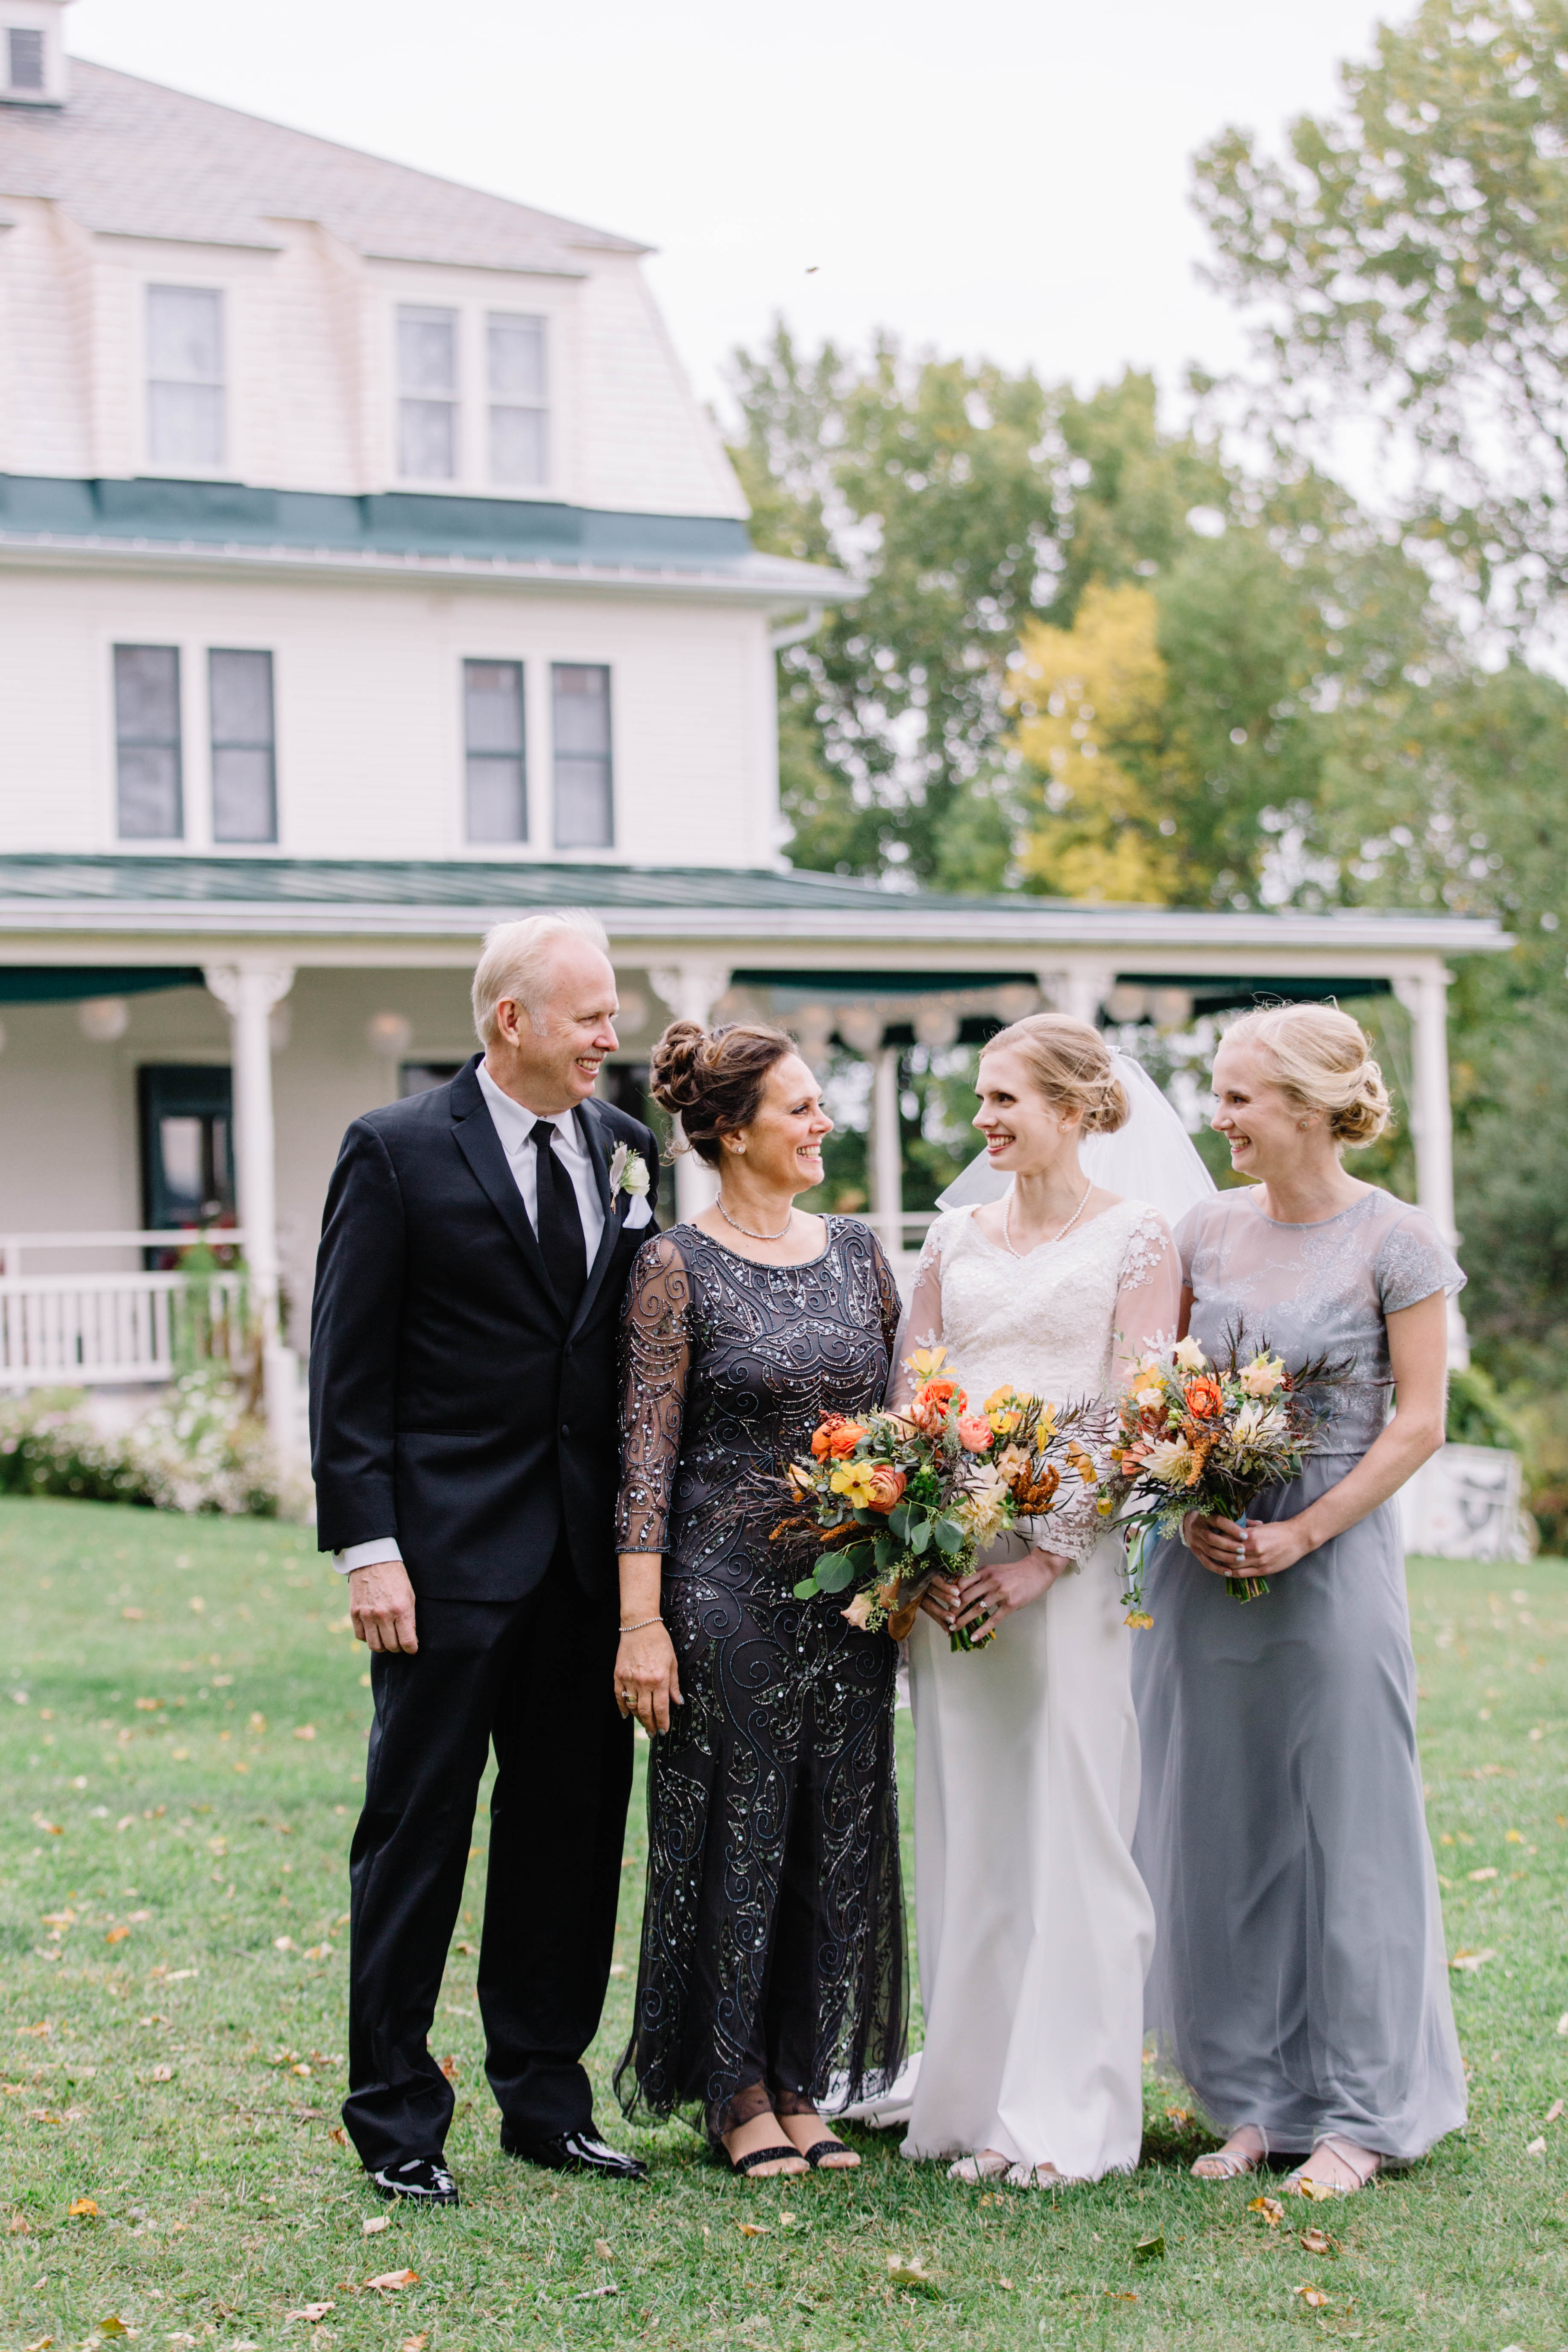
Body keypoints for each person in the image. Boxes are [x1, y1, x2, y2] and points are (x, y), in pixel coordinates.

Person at [309, 911, 661, 2204]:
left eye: (612, 1012)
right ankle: (396, 2114)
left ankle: (545, 2097)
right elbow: (347, 1368)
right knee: (416, 1836)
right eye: (590, 1016)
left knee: (571, 1832)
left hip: (581, 1569)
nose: (610, 1036)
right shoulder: (395, 1151)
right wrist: (369, 1546)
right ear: (510, 1020)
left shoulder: (627, 1150)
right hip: (442, 1565)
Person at [1133, 1003, 1467, 2196]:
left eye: (1238, 1099)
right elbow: (1160, 1390)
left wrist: (1304, 1532)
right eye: (1220, 1095)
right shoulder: (1204, 1230)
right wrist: (1184, 1500)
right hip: (1207, 1558)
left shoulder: (1399, 1241)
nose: (1218, 1118)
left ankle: (1364, 2113)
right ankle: (1254, 2101)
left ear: (1312, 1108)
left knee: (1349, 1827)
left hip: (1333, 1554)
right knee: (1226, 1827)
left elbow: (1420, 1420)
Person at [888, 1013, 1182, 2187]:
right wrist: (930, 1537)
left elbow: (1133, 1408)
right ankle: (969, 2095)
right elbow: (914, 1391)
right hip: (955, 1572)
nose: (984, 1120)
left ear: (1074, 1106)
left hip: (1072, 1572)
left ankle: (1066, 2109)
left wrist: (1042, 1555)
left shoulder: (1140, 1237)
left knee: (1074, 1822)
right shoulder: (951, 1234)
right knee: (976, 1822)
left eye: (1006, 1097)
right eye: (981, 1098)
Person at [612, 1020, 907, 2179]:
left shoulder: (860, 1252)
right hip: (722, 1592)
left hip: (847, 1599)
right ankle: (733, 2085)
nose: (821, 1123)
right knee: (736, 1835)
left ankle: (801, 2076)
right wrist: (642, 1624)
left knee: (835, 1833)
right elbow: (645, 1461)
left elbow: (899, 1420)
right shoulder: (674, 1265)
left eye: (820, 1104)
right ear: (734, 1133)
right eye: (799, 1108)